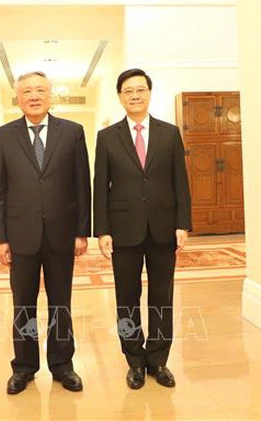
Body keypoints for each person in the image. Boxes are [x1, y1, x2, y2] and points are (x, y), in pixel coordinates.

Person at [0, 71, 91, 395]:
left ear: (50, 96)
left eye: (40, 90)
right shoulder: (3, 136)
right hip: (20, 236)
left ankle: (62, 366)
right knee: (23, 304)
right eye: (27, 91)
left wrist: (81, 231)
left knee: (61, 303)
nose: (34, 96)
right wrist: (0, 237)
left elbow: (81, 186)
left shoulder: (73, 133)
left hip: (61, 233)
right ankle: (24, 367)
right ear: (17, 97)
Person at [93, 68, 192, 389]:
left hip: (164, 227)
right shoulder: (107, 137)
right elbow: (100, 187)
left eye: (140, 90)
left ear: (149, 93)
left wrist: (183, 224)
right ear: (120, 96)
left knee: (162, 297)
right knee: (126, 298)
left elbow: (181, 182)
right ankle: (134, 360)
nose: (135, 95)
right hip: (122, 230)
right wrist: (102, 230)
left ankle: (158, 360)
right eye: (128, 91)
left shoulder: (170, 133)